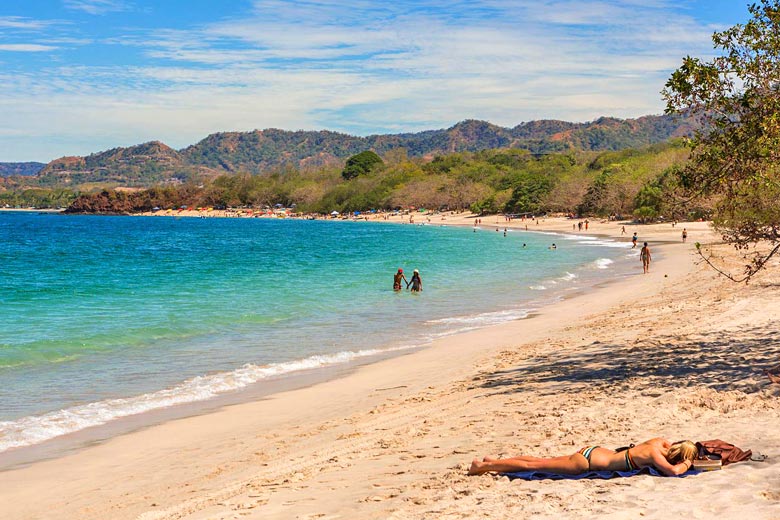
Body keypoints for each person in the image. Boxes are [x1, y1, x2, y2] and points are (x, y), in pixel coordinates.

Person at [468, 438, 697, 477]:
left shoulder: (658, 443)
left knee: (539, 460)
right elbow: (673, 471)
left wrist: (684, 449)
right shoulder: (656, 456)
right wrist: (688, 462)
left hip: (594, 451)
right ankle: (482, 466)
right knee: (533, 465)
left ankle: (492, 461)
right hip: (586, 463)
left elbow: (671, 445)